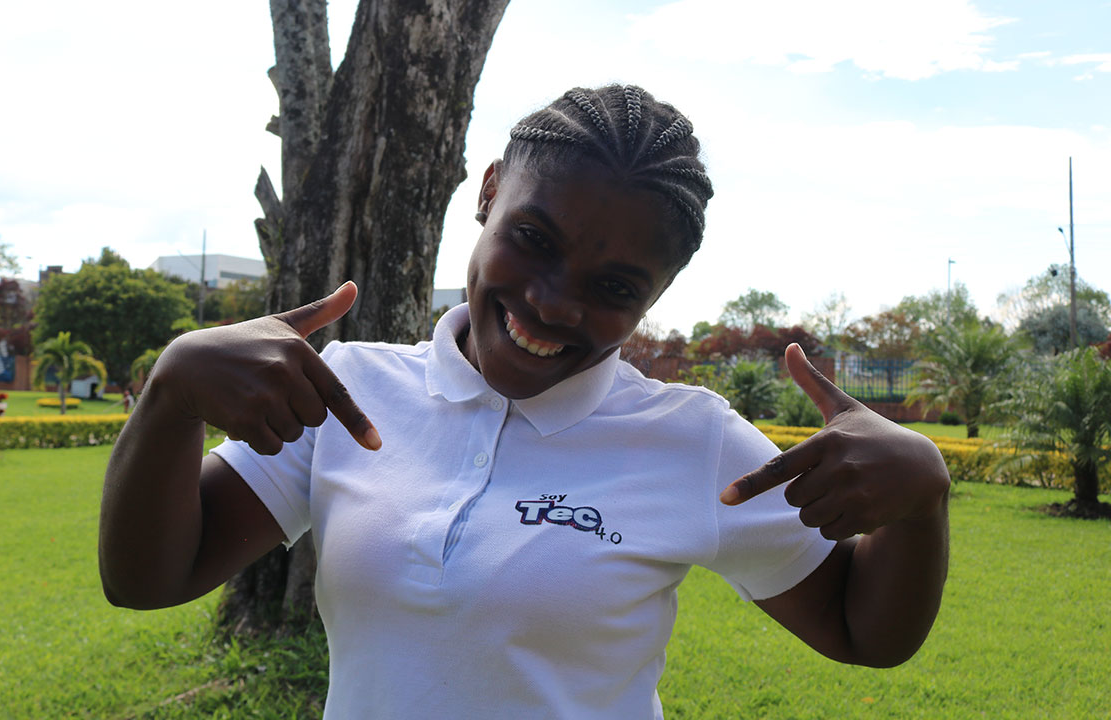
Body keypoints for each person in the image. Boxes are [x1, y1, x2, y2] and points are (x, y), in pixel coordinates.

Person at [100, 85, 950, 719]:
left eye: (614, 286)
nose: (551, 304)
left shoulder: (691, 441)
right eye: (532, 240)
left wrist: (920, 500)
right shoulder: (352, 389)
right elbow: (149, 577)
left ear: (661, 290)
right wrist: (173, 395)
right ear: (490, 191)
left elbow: (860, 631)